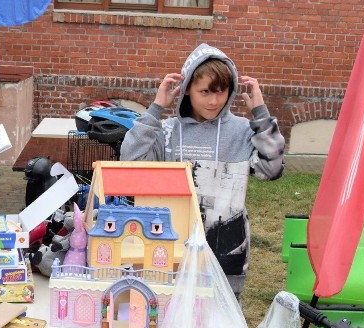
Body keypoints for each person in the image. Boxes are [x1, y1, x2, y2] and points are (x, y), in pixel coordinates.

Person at [120, 43, 285, 296]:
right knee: (166, 316)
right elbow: (130, 161)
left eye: (221, 92)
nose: (214, 100)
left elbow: (272, 169)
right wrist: (155, 109)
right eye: (204, 91)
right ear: (186, 90)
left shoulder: (242, 131)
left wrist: (261, 114)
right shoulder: (168, 132)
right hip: (170, 249)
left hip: (226, 254)